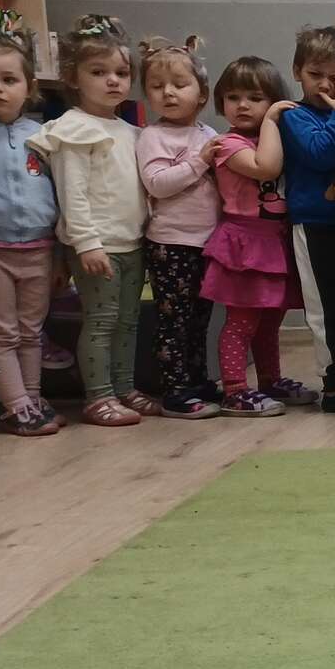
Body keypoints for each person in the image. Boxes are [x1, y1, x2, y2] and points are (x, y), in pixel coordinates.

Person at [29, 15, 151, 427]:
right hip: (98, 246)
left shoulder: (129, 131)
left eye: (121, 73)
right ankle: (98, 396)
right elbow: (72, 194)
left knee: (128, 321)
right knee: (101, 321)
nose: (113, 81)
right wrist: (86, 243)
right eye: (98, 72)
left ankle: (124, 386)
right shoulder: (73, 130)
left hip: (130, 242)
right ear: (73, 77)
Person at [201, 57, 311, 416]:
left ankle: (270, 379)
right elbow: (266, 168)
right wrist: (273, 119)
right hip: (244, 243)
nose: (243, 105)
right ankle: (234, 389)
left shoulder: (268, 138)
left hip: (274, 240)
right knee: (242, 321)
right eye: (233, 97)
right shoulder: (228, 144)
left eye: (255, 97)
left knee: (269, 320)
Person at [0, 31, 62, 436]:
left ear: (29, 87)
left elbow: (58, 191)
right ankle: (15, 405)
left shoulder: (42, 135)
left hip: (39, 247)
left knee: (31, 331)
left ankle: (32, 399)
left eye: (8, 79)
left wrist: (61, 253)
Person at [134, 35, 222, 419]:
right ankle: (174, 390)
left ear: (201, 93)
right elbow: (157, 184)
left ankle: (198, 379)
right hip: (170, 244)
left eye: (179, 84)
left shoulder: (208, 135)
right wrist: (200, 162)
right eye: (157, 86)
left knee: (201, 317)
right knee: (175, 319)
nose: (168, 93)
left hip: (208, 242)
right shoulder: (152, 136)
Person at [281, 26, 335, 413]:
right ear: (297, 71)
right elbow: (320, 153)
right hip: (314, 224)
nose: (326, 86)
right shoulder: (294, 117)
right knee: (324, 306)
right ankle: (334, 383)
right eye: (316, 74)